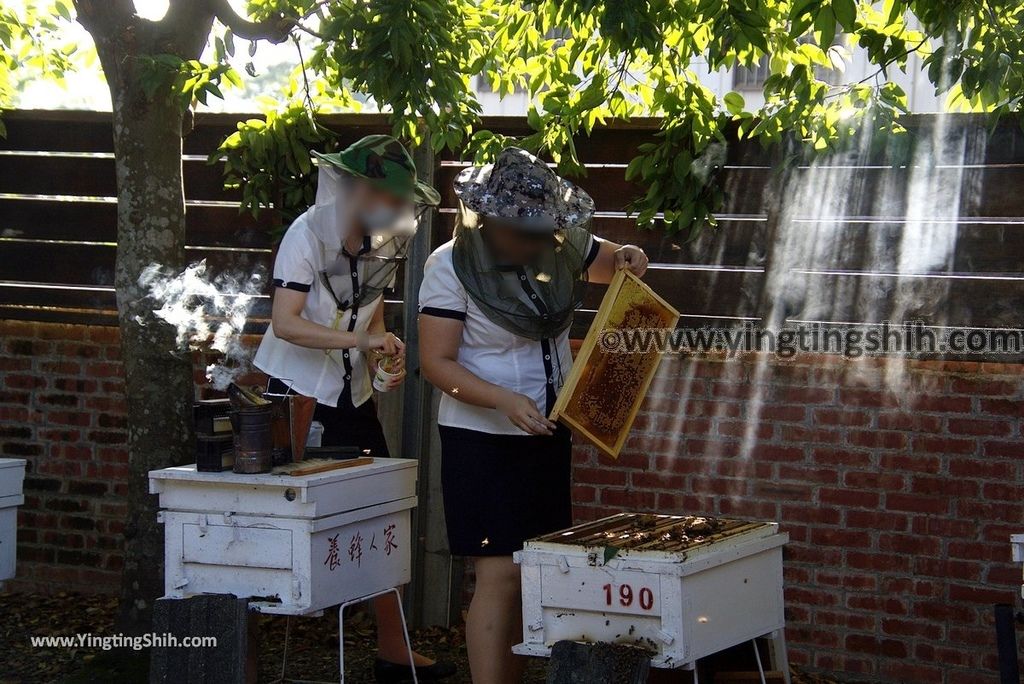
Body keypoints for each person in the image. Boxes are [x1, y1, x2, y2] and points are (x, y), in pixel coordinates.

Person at [417, 147, 649, 684]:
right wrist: (501, 398)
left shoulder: (556, 245)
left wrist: (630, 254)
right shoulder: (446, 267)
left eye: (541, 229)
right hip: (482, 439)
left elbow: (613, 259)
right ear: (487, 219)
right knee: (498, 575)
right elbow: (435, 362)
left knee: (533, 572)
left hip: (547, 432)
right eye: (521, 230)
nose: (533, 241)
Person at [254, 134, 455, 683]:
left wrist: (383, 357)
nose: (394, 206)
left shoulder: (381, 240)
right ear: (355, 186)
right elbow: (286, 322)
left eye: (399, 197)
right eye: (385, 193)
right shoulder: (305, 234)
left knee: (381, 507)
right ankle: (239, 659)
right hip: (295, 397)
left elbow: (372, 314)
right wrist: (361, 346)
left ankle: (394, 650)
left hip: (352, 397)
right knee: (280, 524)